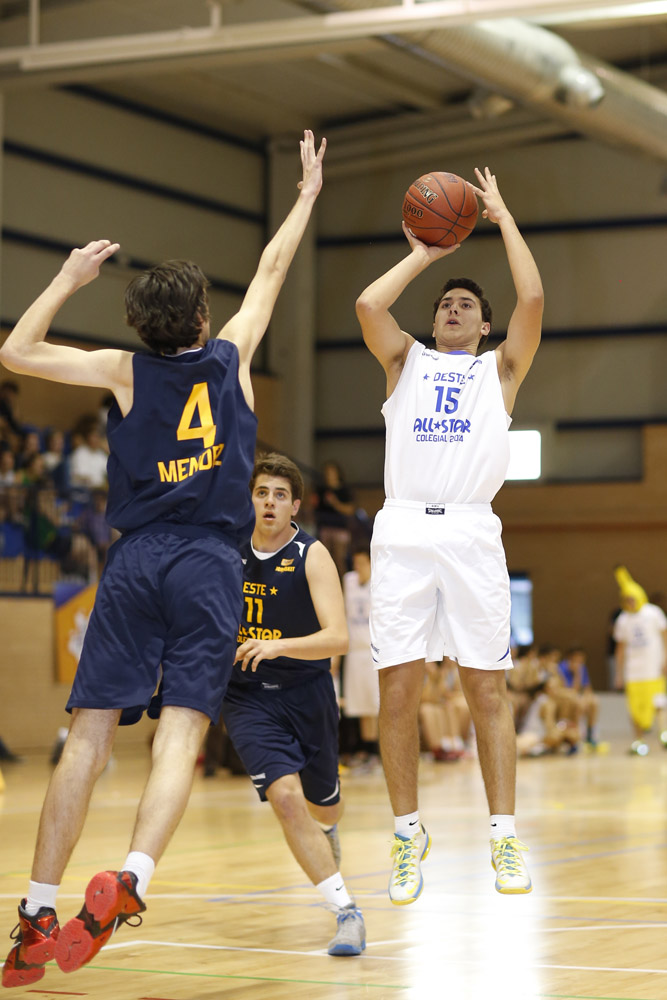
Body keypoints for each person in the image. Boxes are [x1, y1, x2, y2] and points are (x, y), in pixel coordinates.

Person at [0, 129, 326, 988]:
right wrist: (304, 195)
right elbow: (272, 270)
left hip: (136, 560)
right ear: (204, 319)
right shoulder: (232, 358)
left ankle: (35, 913)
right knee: (180, 731)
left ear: (141, 327)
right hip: (211, 563)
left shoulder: (123, 370)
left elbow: (15, 353)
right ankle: (132, 877)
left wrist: (67, 278)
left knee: (87, 737)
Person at [355, 166, 543, 901]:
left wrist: (502, 217)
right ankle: (407, 836)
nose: (453, 308)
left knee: (485, 690)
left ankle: (504, 838)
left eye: (466, 304)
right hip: (402, 527)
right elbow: (369, 304)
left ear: (484, 325)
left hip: (469, 531)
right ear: (433, 323)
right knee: (397, 691)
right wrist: (423, 255)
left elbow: (532, 298)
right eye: (444, 303)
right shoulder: (405, 360)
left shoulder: (500, 371)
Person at [220, 452, 365, 957]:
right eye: (262, 493)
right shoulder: (229, 551)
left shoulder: (312, 554)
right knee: (284, 797)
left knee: (324, 803)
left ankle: (328, 827)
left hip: (307, 693)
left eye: (280, 495)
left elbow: (339, 638)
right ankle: (347, 912)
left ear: (295, 506)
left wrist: (278, 645)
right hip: (247, 697)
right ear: (251, 500)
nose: (270, 503)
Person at [613, 589, 667, 755]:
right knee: (634, 708)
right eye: (627, 600)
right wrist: (618, 674)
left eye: (633, 599)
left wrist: (665, 659)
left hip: (653, 669)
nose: (630, 603)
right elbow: (620, 649)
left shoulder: (654, 613)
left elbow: (665, 636)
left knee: (659, 703)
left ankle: (664, 735)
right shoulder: (623, 619)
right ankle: (639, 741)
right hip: (633, 672)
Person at [339, 546, 380, 766]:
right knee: (360, 705)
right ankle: (366, 750)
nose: (358, 567)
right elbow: (343, 614)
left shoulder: (379, 582)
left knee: (375, 705)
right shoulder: (349, 581)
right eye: (355, 563)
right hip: (355, 652)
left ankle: (377, 750)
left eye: (362, 563)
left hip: (374, 651)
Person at [312, 460, 355, 576]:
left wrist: (335, 503)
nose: (330, 476)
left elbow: (350, 509)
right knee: (324, 559)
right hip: (324, 528)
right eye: (327, 473)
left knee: (340, 560)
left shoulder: (344, 490)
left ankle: (342, 584)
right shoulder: (321, 490)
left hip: (340, 529)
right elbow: (315, 508)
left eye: (332, 472)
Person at [557, 647, 599, 747]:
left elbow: (587, 689)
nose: (580, 662)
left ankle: (590, 735)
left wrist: (587, 698)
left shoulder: (582, 668)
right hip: (565, 697)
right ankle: (574, 737)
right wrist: (577, 674)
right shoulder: (561, 668)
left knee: (594, 702)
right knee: (577, 703)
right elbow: (571, 689)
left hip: (577, 696)